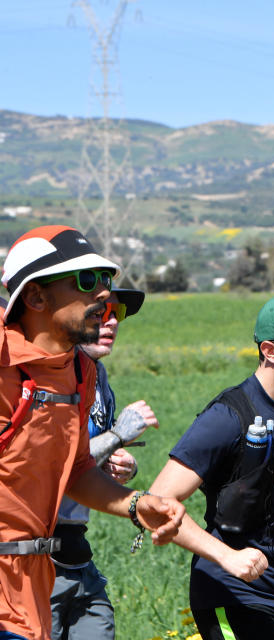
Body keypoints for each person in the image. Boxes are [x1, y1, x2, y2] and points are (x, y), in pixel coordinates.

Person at [0, 225, 185, 640]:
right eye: (86, 281)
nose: (103, 294)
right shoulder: (4, 365)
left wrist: (136, 504)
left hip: (31, 586)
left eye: (105, 280)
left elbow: (78, 468)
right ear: (35, 296)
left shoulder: (79, 373)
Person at [150, 292, 274, 640]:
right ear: (269, 351)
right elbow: (157, 503)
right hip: (230, 595)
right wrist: (227, 557)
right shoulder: (229, 415)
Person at [50, 288, 158, 640]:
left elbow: (86, 458)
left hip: (76, 547)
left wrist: (116, 464)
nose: (110, 322)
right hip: (35, 551)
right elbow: (54, 464)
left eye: (117, 313)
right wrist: (115, 435)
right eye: (101, 312)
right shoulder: (52, 377)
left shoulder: (99, 378)